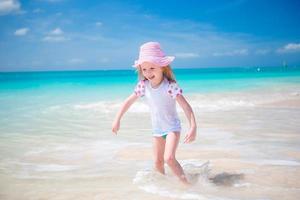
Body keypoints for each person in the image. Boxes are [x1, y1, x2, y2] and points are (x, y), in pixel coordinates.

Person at [112, 41, 197, 184]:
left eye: (152, 67)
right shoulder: (143, 86)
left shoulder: (170, 85)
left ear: (162, 67)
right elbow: (128, 102)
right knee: (157, 162)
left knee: (168, 158)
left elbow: (186, 107)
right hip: (157, 129)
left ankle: (187, 187)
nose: (148, 72)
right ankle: (164, 188)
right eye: (144, 69)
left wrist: (193, 127)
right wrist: (117, 119)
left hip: (172, 128)